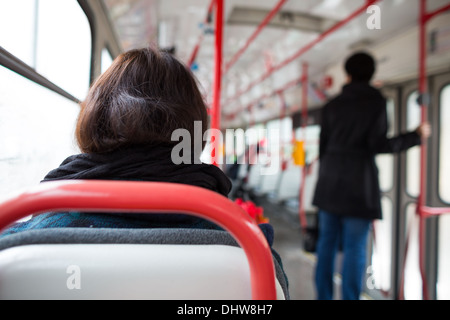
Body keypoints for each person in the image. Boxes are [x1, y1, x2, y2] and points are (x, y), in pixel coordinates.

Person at [312, 51, 431, 300]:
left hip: (330, 183)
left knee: (326, 246)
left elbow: (322, 148)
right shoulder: (376, 102)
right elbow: (379, 145)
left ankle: (323, 297)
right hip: (360, 185)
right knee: (355, 249)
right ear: (371, 74)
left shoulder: (331, 105)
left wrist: (329, 172)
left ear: (348, 74)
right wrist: (416, 136)